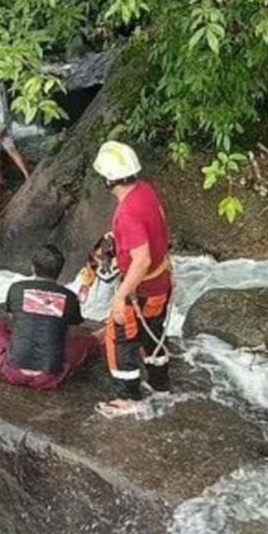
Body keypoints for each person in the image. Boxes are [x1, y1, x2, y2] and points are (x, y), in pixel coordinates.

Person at [92, 141, 173, 416]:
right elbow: (159, 222)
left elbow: (142, 260)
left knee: (119, 336)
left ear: (108, 179)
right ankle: (161, 384)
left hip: (144, 287)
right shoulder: (145, 190)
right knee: (154, 331)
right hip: (162, 281)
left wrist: (120, 296)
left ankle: (129, 396)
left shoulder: (126, 212)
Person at [0, 244, 100, 389]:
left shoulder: (17, 288)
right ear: (59, 272)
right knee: (88, 342)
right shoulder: (69, 297)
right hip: (50, 377)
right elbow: (74, 323)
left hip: (14, 372)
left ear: (32, 267)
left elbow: (13, 317)